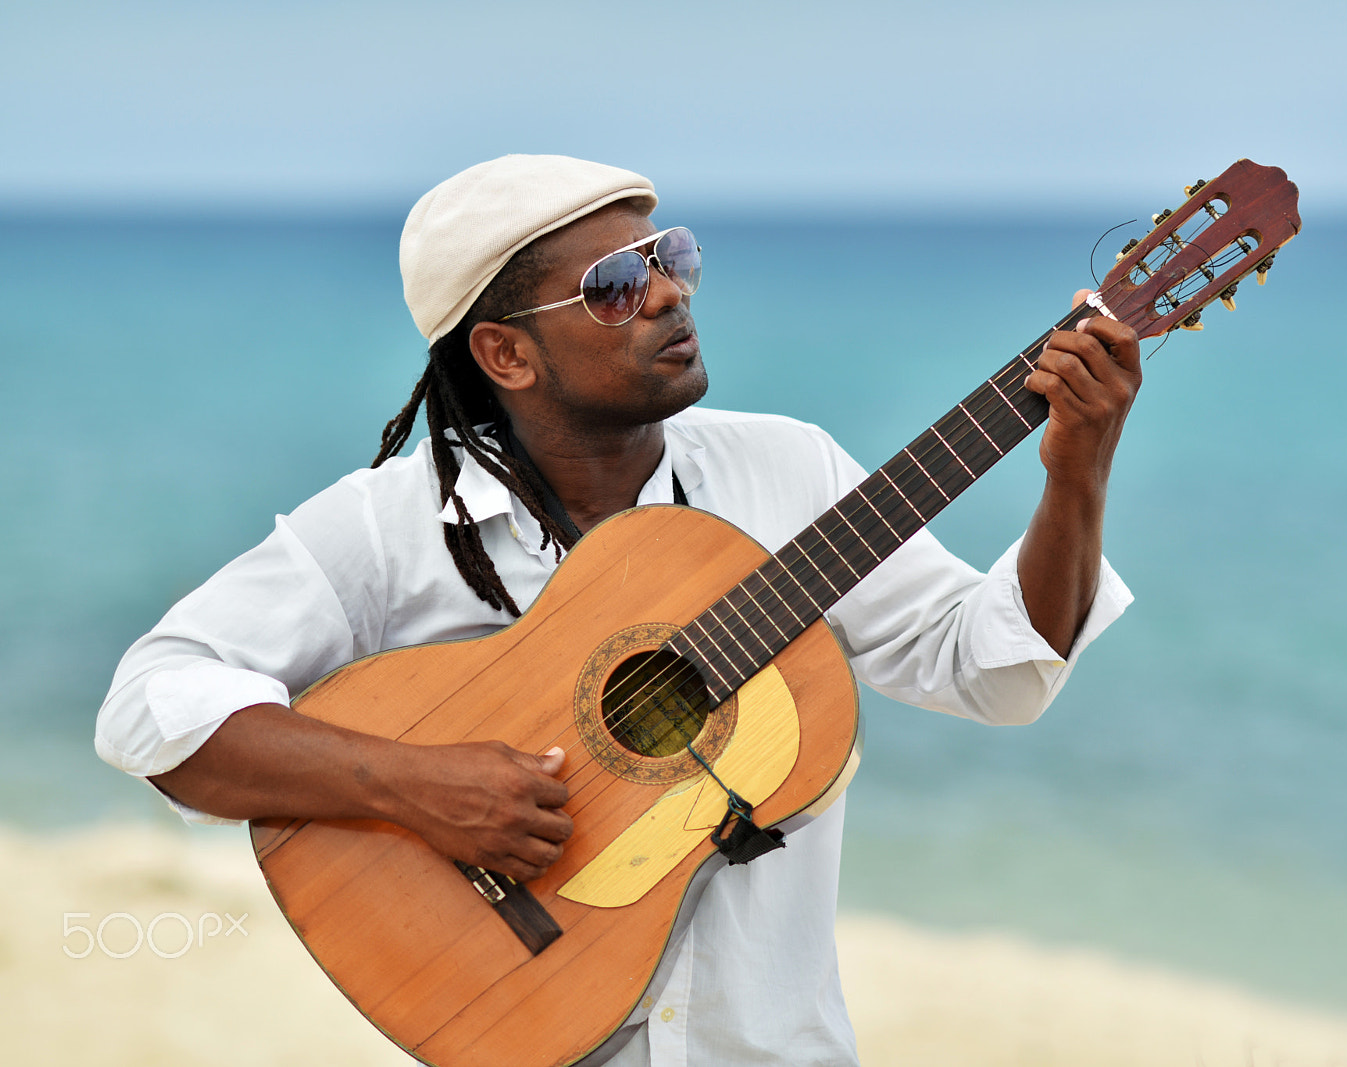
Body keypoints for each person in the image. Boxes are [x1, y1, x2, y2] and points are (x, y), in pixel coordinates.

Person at [95, 154, 1140, 1065]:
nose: (667, 296)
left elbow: (996, 671)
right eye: (611, 288)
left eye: (670, 257)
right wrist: (416, 784)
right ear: (506, 354)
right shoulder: (388, 527)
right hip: (520, 1024)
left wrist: (1076, 476)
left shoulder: (787, 470)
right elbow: (150, 703)